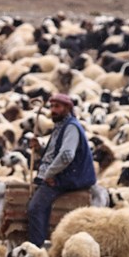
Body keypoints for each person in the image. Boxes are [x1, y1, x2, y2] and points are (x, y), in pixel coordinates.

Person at [27, 93, 97, 247]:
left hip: (70, 177)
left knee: (35, 208)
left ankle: (36, 249)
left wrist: (49, 174)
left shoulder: (71, 127)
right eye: (51, 106)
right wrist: (39, 149)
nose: (53, 110)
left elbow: (66, 155)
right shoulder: (60, 127)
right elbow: (54, 153)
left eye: (57, 107)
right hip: (64, 174)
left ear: (67, 108)